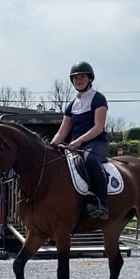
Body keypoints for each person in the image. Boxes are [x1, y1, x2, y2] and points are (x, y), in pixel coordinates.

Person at [50, 61, 110, 220]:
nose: (79, 80)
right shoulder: (71, 106)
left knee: (90, 161)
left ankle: (101, 203)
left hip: (96, 142)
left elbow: (98, 127)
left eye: (82, 76)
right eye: (75, 78)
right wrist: (50, 147)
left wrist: (79, 141)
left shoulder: (98, 99)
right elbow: (62, 132)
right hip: (75, 145)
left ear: (90, 78)